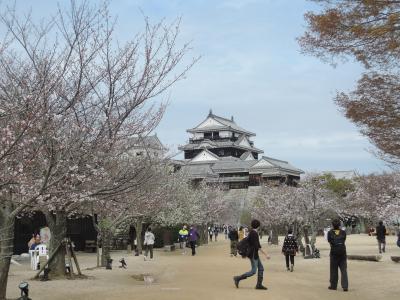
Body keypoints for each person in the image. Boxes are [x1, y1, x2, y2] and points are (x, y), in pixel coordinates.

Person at [233, 219, 270, 290]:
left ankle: (259, 285)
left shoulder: (252, 232)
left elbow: (256, 245)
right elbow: (257, 246)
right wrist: (266, 254)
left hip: (254, 254)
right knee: (253, 271)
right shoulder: (254, 233)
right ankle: (237, 278)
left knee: (261, 268)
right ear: (258, 226)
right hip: (253, 254)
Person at [327, 219, 348, 292]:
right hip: (343, 253)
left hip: (334, 253)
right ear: (339, 225)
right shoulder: (343, 232)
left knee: (333, 270)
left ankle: (333, 286)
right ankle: (345, 286)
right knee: (344, 270)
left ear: (332, 225)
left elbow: (329, 241)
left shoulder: (330, 233)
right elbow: (344, 240)